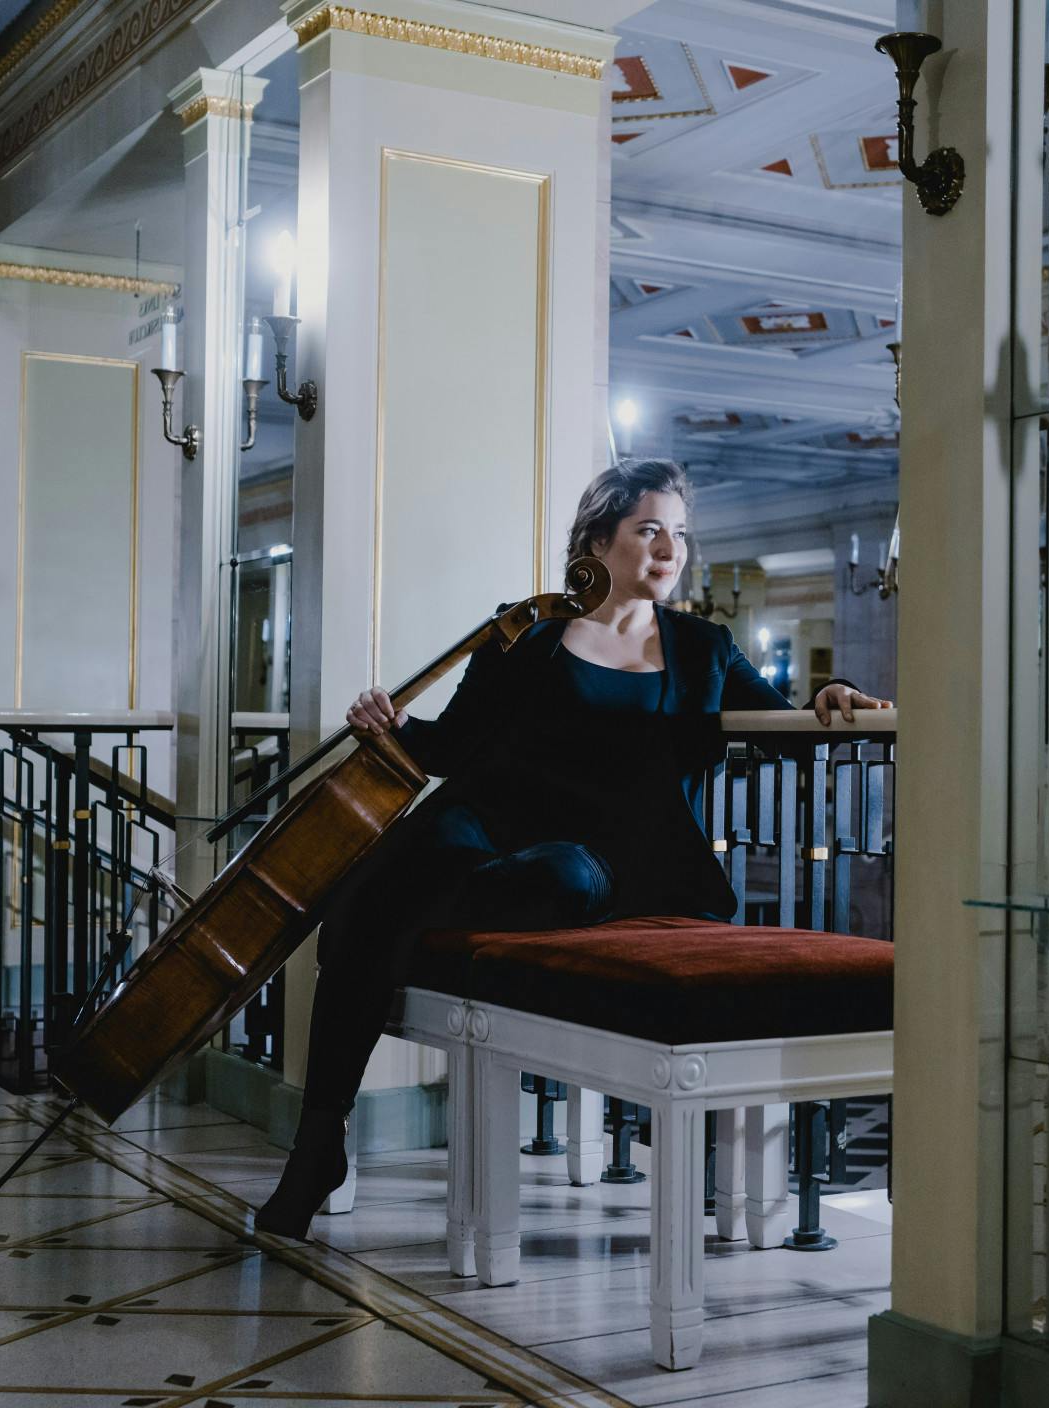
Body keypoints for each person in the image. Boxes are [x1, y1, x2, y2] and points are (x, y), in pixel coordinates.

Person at [254, 459, 893, 1237]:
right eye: (648, 529)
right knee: (386, 877)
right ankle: (320, 1139)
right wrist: (387, 724)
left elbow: (782, 730)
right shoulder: (529, 631)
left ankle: (393, 930)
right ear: (599, 538)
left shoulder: (702, 647)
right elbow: (454, 744)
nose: (669, 550)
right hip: (492, 828)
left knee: (545, 879)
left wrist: (831, 699)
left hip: (616, 863)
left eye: (680, 535)